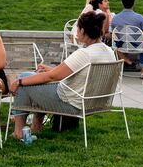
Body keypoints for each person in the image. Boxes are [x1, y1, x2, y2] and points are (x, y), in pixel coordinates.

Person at [10, 10, 115, 140]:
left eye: (77, 28)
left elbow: (52, 77)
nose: (76, 32)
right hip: (95, 102)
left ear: (83, 31)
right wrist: (49, 70)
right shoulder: (108, 51)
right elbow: (68, 73)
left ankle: (19, 132)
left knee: (25, 78)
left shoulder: (84, 54)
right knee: (35, 78)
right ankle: (36, 126)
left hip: (72, 104)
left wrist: (18, 82)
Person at [111, 0, 143, 72]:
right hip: (137, 46)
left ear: (122, 3)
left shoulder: (115, 19)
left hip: (121, 46)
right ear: (134, 3)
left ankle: (130, 63)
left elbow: (113, 35)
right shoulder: (139, 18)